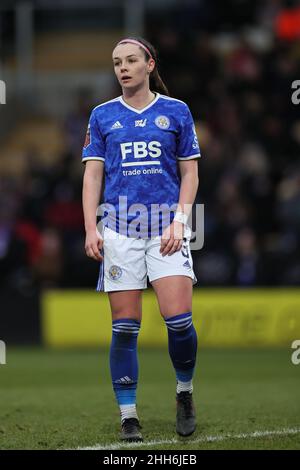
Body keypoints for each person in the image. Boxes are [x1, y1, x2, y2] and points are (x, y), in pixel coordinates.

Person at [82, 37, 201, 442]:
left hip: (166, 228)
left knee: (179, 321)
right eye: (117, 62)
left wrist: (180, 222)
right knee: (125, 328)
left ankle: (184, 393)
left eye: (132, 60)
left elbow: (190, 173)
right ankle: (128, 415)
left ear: (150, 64)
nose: (123, 67)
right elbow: (93, 175)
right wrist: (90, 227)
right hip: (119, 230)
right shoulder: (102, 116)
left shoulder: (176, 111)